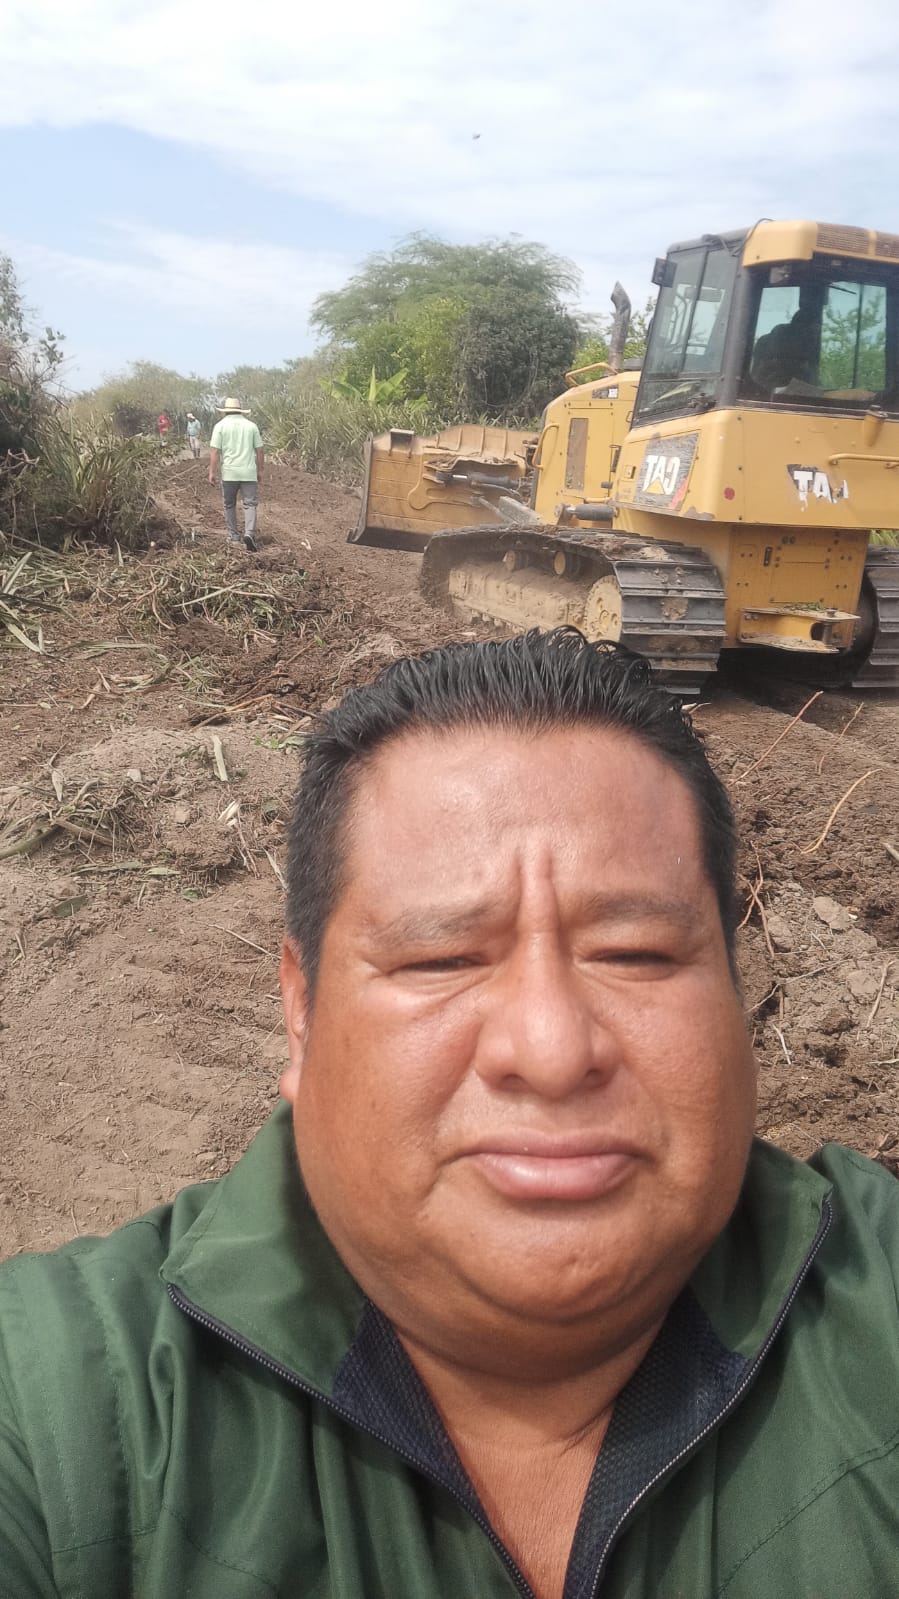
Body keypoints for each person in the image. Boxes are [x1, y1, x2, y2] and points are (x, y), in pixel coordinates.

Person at [1, 628, 899, 1598]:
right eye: (441, 960)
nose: (550, 1050)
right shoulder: (62, 1408)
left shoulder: (875, 1306)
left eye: (635, 953)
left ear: (735, 989)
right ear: (300, 1015)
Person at [208, 396, 263, 552]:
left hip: (229, 473)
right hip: (248, 473)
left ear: (225, 411)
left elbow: (215, 451)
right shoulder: (251, 426)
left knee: (229, 504)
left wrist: (212, 472)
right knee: (250, 504)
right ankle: (249, 533)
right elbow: (259, 450)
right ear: (240, 410)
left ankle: (234, 536)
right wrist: (260, 470)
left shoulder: (220, 426)